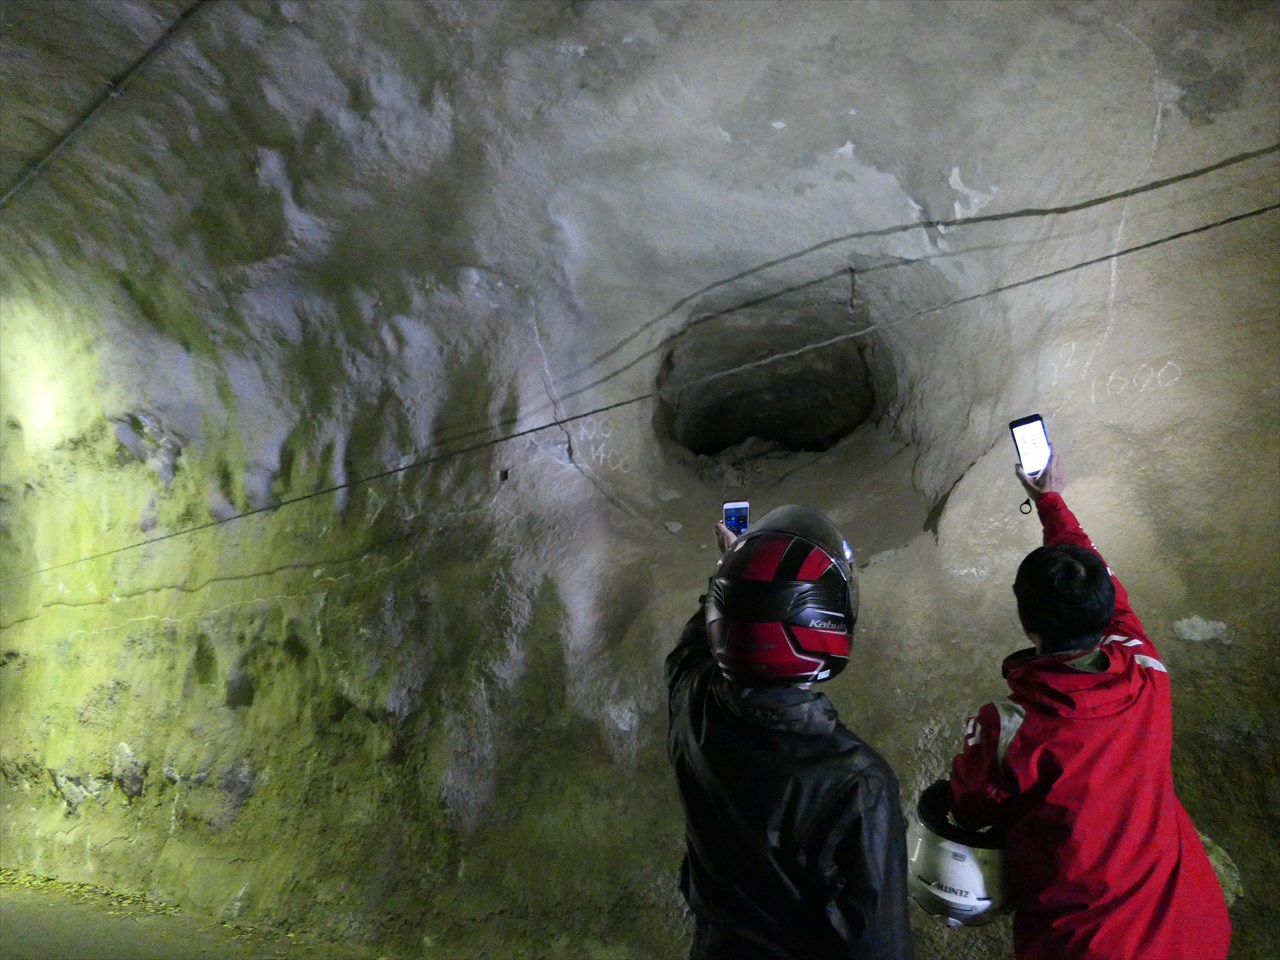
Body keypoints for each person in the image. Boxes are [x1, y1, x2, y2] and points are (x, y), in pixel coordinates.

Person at [947, 451, 1232, 959]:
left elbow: (969, 809)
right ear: (1104, 610)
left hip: (1087, 947)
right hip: (1191, 930)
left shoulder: (1010, 728)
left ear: (1027, 623)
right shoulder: (1145, 669)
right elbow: (1096, 574)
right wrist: (1051, 501)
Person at [666, 504, 914, 960]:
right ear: (822, 624)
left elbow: (693, 646)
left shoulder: (692, 702)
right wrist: (736, 575)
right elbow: (877, 943)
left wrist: (735, 576)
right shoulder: (856, 783)